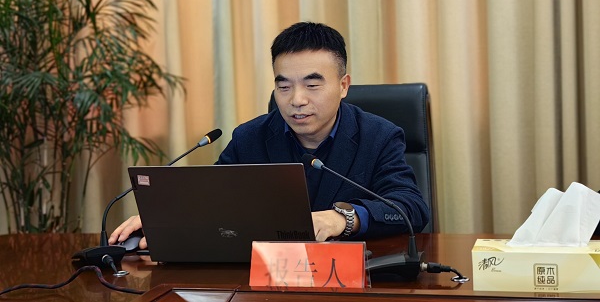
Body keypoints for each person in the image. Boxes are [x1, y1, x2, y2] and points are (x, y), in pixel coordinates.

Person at [109, 22, 430, 249]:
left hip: (350, 282)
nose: (297, 99)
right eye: (284, 86)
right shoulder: (250, 138)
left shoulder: (379, 136)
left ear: (343, 85)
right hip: (267, 281)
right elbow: (212, 198)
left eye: (312, 85)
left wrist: (341, 219)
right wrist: (167, 219)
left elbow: (411, 209)